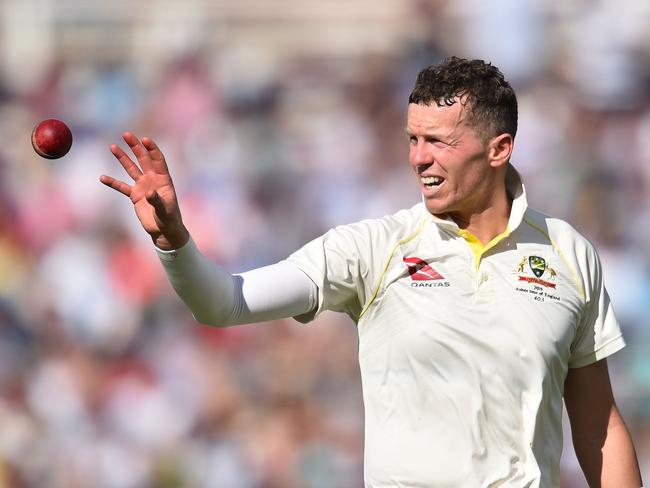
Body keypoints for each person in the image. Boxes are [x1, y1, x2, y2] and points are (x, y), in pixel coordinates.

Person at [100, 57, 642, 487]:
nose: (419, 158)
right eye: (413, 138)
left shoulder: (567, 252)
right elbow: (225, 303)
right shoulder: (373, 247)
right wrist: (173, 237)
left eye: (440, 142)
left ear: (499, 149)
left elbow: (598, 426)